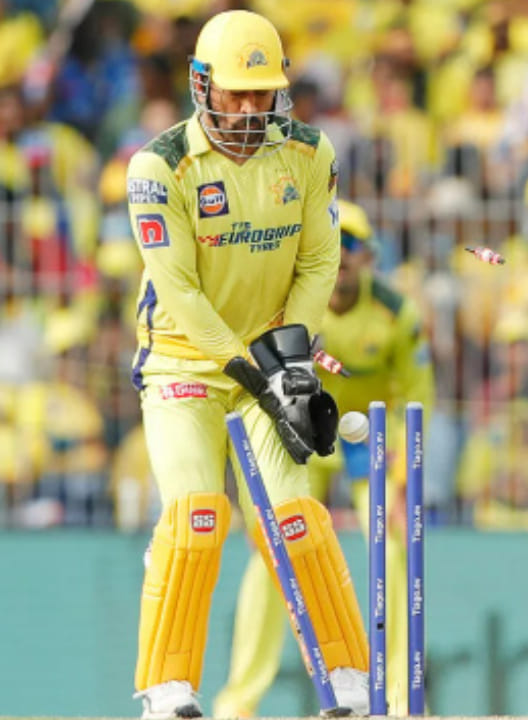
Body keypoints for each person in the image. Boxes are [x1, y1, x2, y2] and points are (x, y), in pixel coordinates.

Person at [125, 10, 368, 718]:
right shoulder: (159, 166)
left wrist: (289, 357)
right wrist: (254, 372)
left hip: (267, 355)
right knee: (197, 515)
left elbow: (319, 261)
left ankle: (348, 678)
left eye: (263, 93)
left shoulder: (309, 152)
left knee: (293, 517)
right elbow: (180, 292)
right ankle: (167, 688)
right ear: (201, 84)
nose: (250, 108)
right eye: (236, 92)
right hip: (182, 365)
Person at [213, 200, 434, 717]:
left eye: (351, 244)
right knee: (272, 554)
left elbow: (418, 397)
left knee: (394, 546)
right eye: (333, 244)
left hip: (367, 441)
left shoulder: (395, 313)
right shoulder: (290, 308)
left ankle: (396, 698)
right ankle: (238, 702)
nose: (342, 255)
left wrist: (403, 478)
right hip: (302, 436)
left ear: (369, 255)